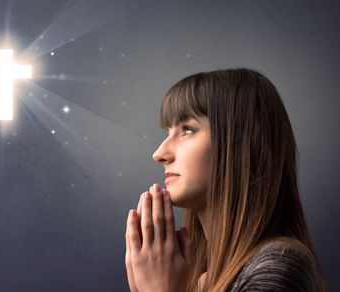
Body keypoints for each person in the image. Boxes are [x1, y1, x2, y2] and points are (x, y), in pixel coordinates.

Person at [125, 68, 327, 291]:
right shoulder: (199, 277)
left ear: (241, 144)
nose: (159, 154)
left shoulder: (276, 267)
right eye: (168, 131)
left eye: (188, 130)